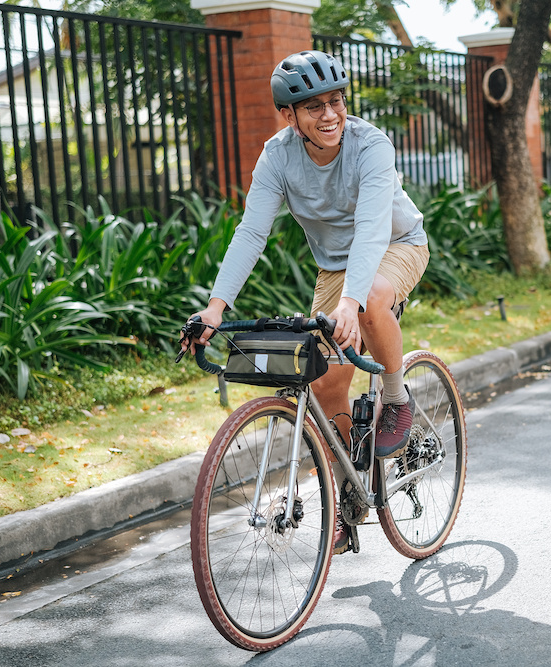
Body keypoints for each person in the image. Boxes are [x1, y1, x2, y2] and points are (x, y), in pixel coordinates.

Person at [186, 50, 429, 554]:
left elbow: (369, 229)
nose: (330, 115)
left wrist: (352, 302)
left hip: (396, 245)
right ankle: (349, 499)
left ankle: (396, 398)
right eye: (314, 107)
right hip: (335, 267)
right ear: (289, 116)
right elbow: (252, 232)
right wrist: (215, 307)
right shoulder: (277, 157)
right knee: (325, 382)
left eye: (336, 101)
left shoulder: (371, 147)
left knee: (369, 303)